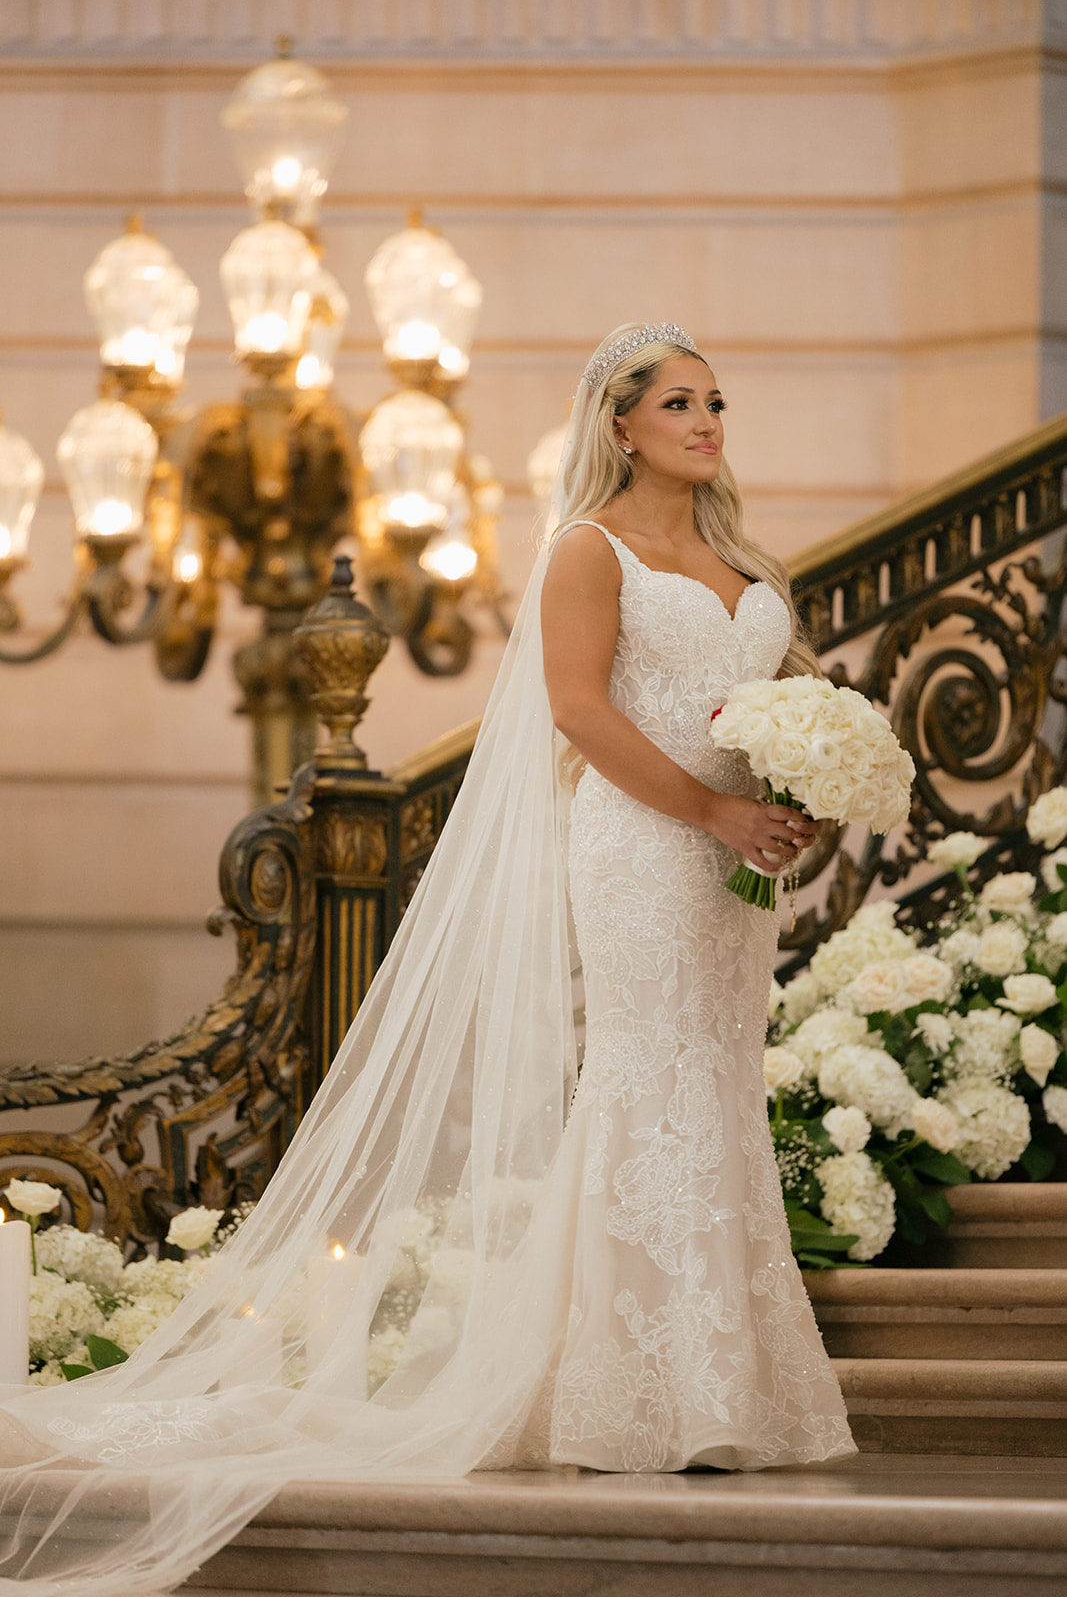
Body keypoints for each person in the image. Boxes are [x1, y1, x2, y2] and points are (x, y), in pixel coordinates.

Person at [0, 323, 853, 1597]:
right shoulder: (587, 549)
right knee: (645, 1079)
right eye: (679, 402)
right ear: (618, 423)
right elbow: (576, 709)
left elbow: (787, 697)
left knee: (718, 1088)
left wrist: (805, 788)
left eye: (715, 401)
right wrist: (712, 808)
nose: (706, 421)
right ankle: (631, 1394)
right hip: (641, 846)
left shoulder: (739, 555)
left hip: (732, 865)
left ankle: (719, 1381)